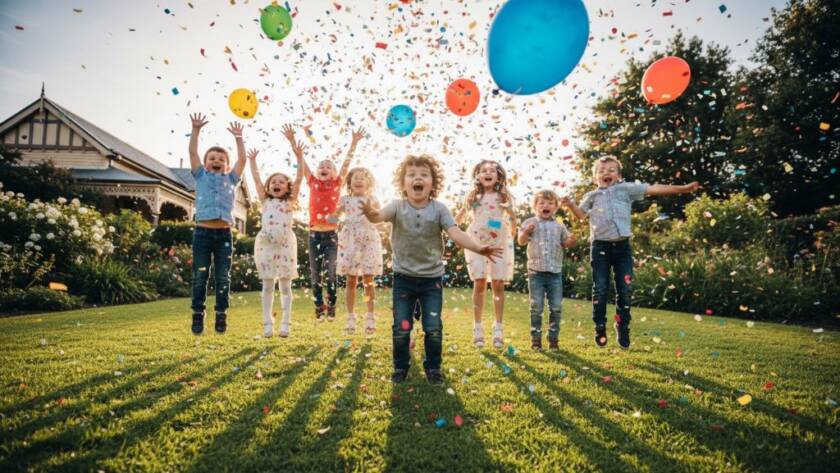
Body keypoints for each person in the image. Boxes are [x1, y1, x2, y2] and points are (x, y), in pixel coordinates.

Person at [361, 154, 503, 385]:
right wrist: (369, 212)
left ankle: (433, 368)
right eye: (412, 175)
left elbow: (456, 232)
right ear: (403, 183)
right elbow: (377, 216)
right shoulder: (397, 206)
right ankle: (400, 367)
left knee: (433, 326)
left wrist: (478, 248)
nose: (418, 178)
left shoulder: (439, 209)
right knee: (401, 326)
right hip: (403, 278)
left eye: (424, 175)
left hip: (431, 280)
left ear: (432, 183)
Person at [564, 156, 700, 348]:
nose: (606, 173)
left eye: (611, 170)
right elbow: (580, 216)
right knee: (600, 289)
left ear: (619, 176)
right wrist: (571, 205)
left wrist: (683, 189)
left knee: (625, 290)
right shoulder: (591, 196)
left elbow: (654, 188)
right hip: (600, 248)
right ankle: (600, 326)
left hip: (622, 248)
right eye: (601, 171)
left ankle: (622, 325)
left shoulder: (625, 189)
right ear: (595, 177)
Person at [187, 113, 247, 335]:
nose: (216, 161)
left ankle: (221, 314)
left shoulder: (231, 179)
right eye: (212, 158)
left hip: (223, 235)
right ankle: (198, 312)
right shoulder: (200, 176)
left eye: (221, 159)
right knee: (200, 276)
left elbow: (243, 161)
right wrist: (196, 130)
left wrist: (239, 138)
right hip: (202, 234)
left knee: (223, 276)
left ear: (226, 165)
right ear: (205, 163)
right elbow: (192, 152)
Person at [517, 190, 576, 350]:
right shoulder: (530, 222)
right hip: (536, 273)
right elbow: (521, 241)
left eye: (550, 203)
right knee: (536, 307)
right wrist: (526, 232)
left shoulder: (559, 223)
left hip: (555, 273)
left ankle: (553, 340)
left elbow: (566, 241)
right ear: (535, 206)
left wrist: (570, 241)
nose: (546, 206)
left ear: (555, 207)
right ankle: (535, 340)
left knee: (556, 307)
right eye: (542, 203)